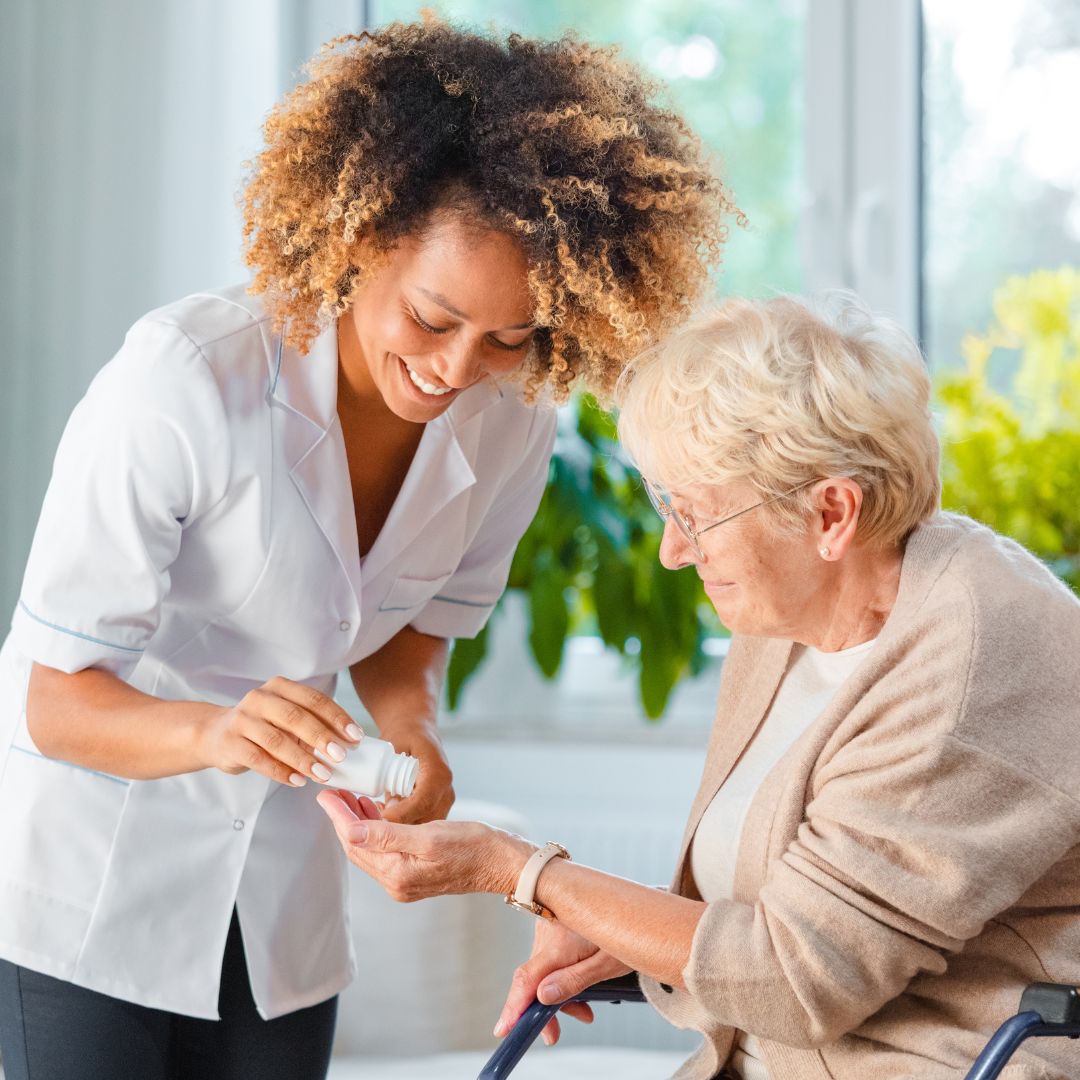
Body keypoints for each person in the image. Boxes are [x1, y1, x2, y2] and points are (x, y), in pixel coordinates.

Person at [0, 18, 735, 1080]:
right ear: (360, 239)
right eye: (433, 318)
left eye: (507, 337)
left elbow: (412, 627)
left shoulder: (512, 421)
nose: (455, 368)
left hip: (280, 917)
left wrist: (413, 733)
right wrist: (219, 730)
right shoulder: (182, 382)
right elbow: (50, 698)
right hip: (93, 893)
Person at [319, 292, 1080, 1080]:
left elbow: (793, 977)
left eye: (698, 515)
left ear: (831, 513)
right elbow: (799, 907)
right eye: (666, 506)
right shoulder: (789, 614)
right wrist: (610, 921)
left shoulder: (969, 661)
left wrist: (521, 871)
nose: (673, 552)